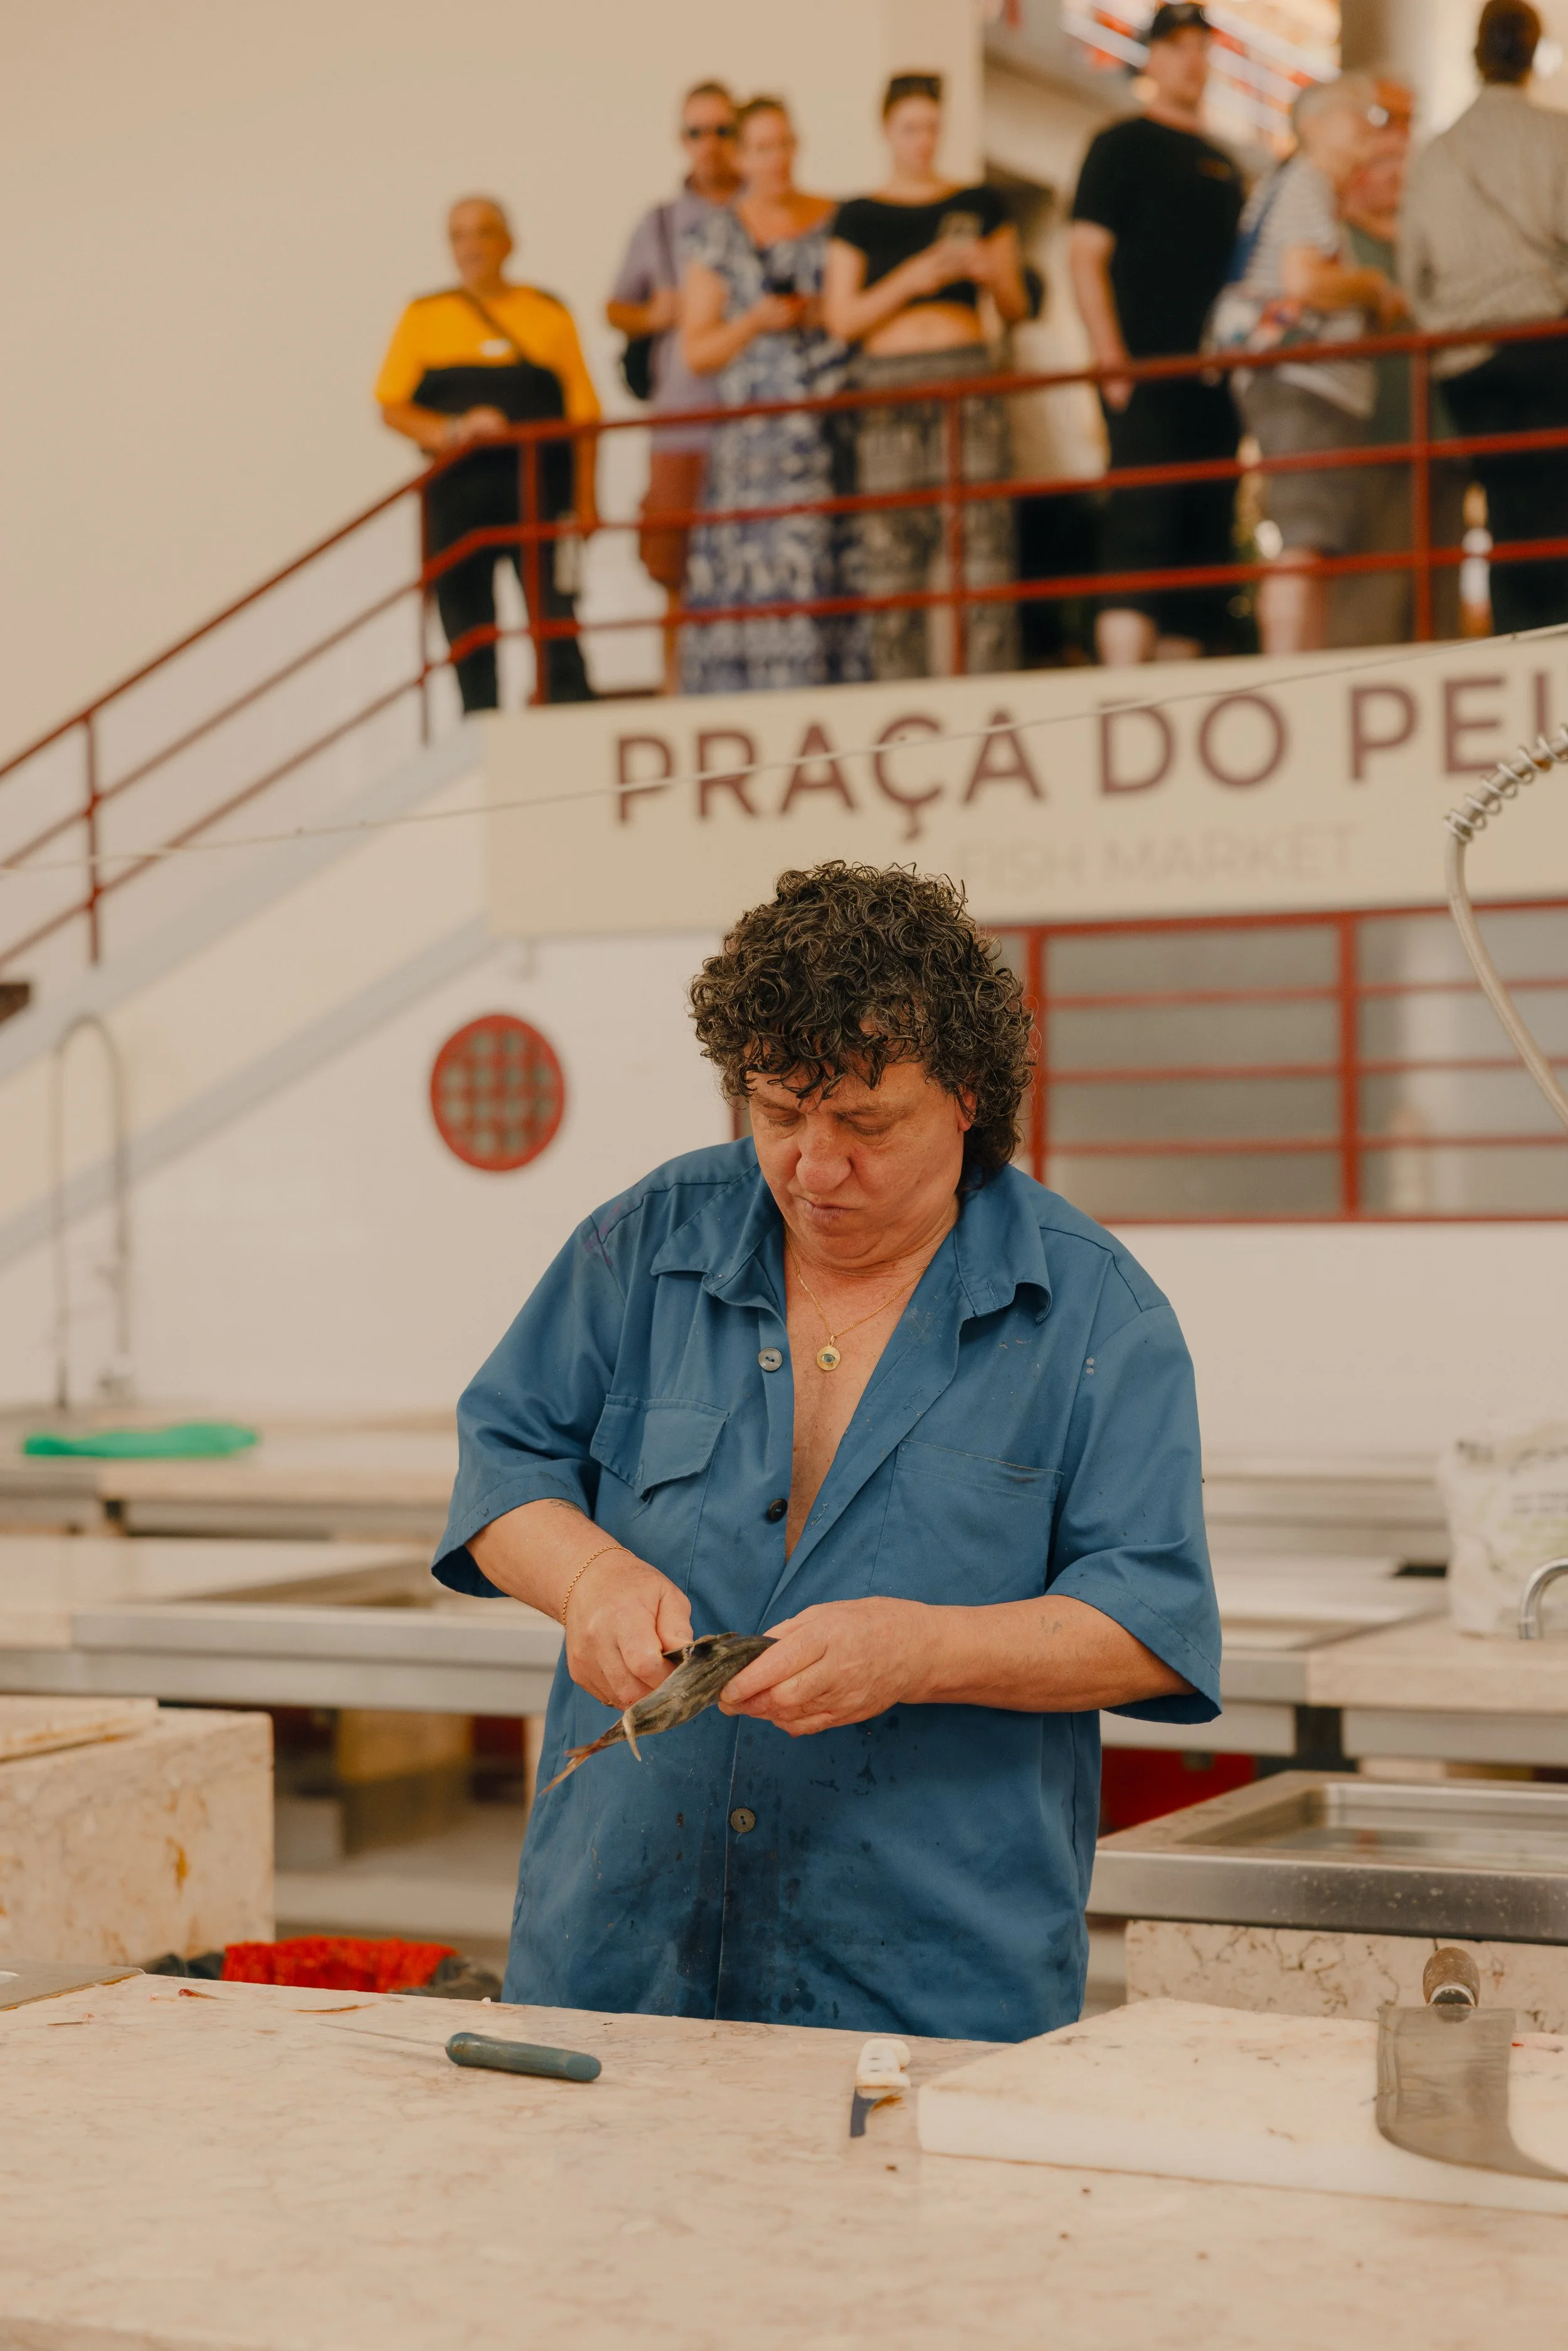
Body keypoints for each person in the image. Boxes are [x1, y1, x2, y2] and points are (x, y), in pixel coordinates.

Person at [432, 861, 1220, 2045]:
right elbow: (502, 1462)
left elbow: (1150, 1624)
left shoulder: (1097, 1314)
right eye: (777, 1113)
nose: (813, 1164)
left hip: (929, 1985)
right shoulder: (645, 1245)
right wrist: (587, 1578)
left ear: (966, 1095)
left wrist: (922, 1650)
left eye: (865, 1123)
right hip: (615, 1958)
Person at [825, 74, 1029, 679]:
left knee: (983, 543)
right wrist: (911, 279)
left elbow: (1017, 308)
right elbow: (842, 320)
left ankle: (992, 685)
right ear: (887, 131)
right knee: (892, 551)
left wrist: (989, 272)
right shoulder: (858, 215)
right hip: (888, 385)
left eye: (932, 128)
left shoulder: (981, 204)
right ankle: (900, 692)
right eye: (910, 128)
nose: (922, 141)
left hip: (965, 376)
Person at [1068, 4, 1246, 668]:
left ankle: (1181, 687)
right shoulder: (1120, 145)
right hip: (1144, 375)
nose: (1192, 61)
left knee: (1203, 535)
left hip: (1214, 386)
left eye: (1202, 47)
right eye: (1178, 46)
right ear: (1152, 56)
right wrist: (1110, 358)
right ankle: (1122, 684)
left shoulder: (1224, 165)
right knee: (1140, 522)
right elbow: (1084, 255)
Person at [376, 197, 598, 709]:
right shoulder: (423, 316)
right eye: (459, 235)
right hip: (459, 499)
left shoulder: (548, 312)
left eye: (484, 232)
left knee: (554, 612)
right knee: (466, 617)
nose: (472, 246)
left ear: (509, 242)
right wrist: (454, 429)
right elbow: (391, 407)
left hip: (538, 492)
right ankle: (479, 719)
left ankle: (569, 705)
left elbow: (585, 419)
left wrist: (586, 500)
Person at [679, 98, 864, 693]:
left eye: (783, 143)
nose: (775, 159)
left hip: (828, 431)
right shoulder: (717, 237)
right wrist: (755, 321)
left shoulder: (839, 221)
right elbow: (697, 350)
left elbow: (855, 313)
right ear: (741, 157)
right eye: (761, 148)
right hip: (753, 449)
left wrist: (817, 311)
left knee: (830, 567)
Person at [1223, 75, 1407, 655]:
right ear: (1314, 127)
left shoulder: (1311, 190)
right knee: (1305, 538)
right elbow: (1304, 281)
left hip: (1309, 386)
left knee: (1316, 542)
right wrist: (1372, 287)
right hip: (1301, 383)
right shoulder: (1306, 181)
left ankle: (1301, 662)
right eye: (1355, 114)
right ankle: (1288, 671)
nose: (1369, 128)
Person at [1401, 0, 1568, 636]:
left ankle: (1516, 640)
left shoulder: (1435, 154)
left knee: (1505, 507)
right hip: (1545, 343)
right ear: (1532, 55)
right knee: (1555, 506)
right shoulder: (1555, 136)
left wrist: (1448, 327)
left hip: (1464, 360)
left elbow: (1412, 275)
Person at [607, 82, 740, 691]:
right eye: (696, 132)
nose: (709, 144)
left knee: (757, 566)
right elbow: (616, 307)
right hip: (681, 421)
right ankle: (676, 690)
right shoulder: (659, 224)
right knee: (675, 572)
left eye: (722, 130)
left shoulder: (762, 212)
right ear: (680, 139)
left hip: (754, 419)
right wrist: (653, 313)